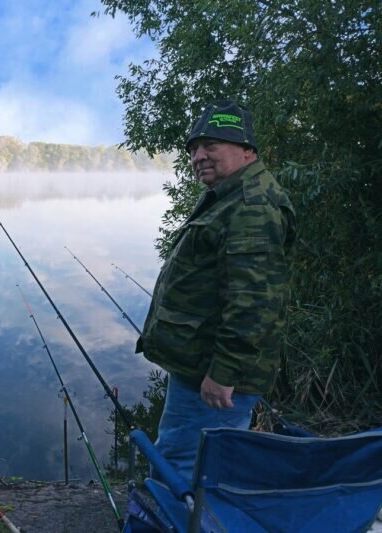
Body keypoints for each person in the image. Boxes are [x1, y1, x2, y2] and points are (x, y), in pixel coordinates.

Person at [136, 100, 296, 484]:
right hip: (201, 364)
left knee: (181, 468)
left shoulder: (250, 207)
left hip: (214, 376)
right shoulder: (229, 194)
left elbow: (253, 304)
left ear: (247, 149)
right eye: (193, 148)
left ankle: (174, 523)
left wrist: (223, 373)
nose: (199, 155)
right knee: (195, 459)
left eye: (211, 144)